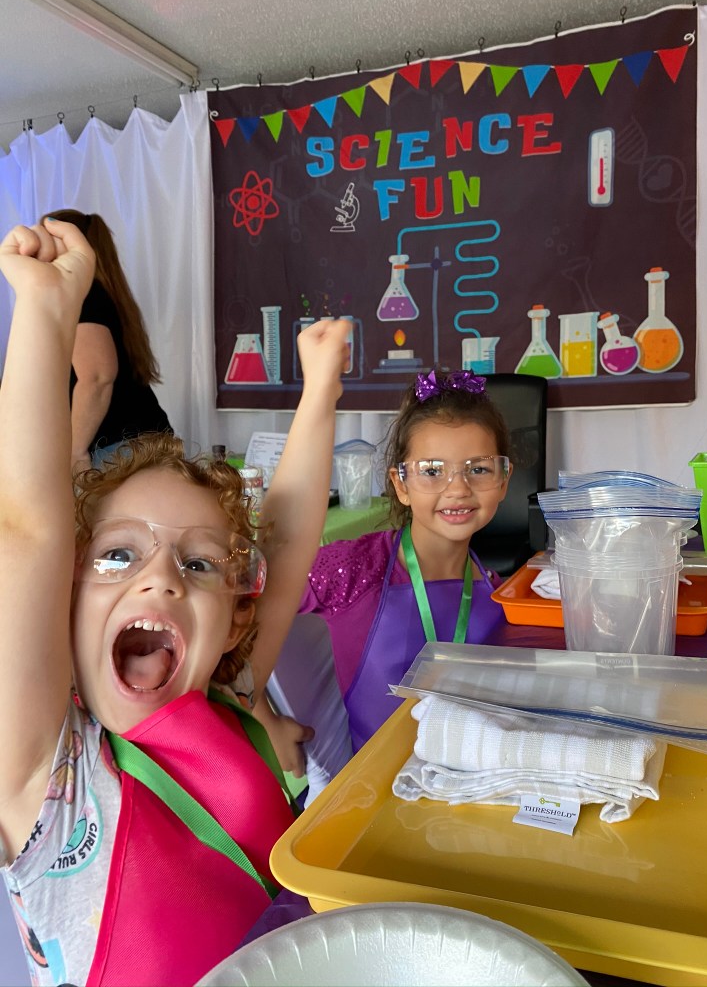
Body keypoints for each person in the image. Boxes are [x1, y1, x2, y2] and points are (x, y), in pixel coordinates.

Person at [0, 217, 350, 987]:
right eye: (117, 554)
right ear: (61, 599)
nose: (159, 578)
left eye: (196, 563)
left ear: (234, 619)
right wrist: (45, 314)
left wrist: (320, 389)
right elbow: (24, 530)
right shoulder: (47, 775)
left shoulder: (228, 697)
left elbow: (283, 548)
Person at [258, 368, 512, 768]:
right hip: (368, 798)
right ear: (401, 484)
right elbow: (244, 600)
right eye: (432, 470)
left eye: (478, 469)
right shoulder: (355, 571)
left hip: (465, 793)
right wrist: (260, 716)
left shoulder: (500, 594)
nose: (458, 487)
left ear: (503, 479)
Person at [44, 208, 173, 471]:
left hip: (117, 449)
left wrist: (74, 451)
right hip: (136, 442)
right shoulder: (104, 294)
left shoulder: (84, 295)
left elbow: (97, 377)